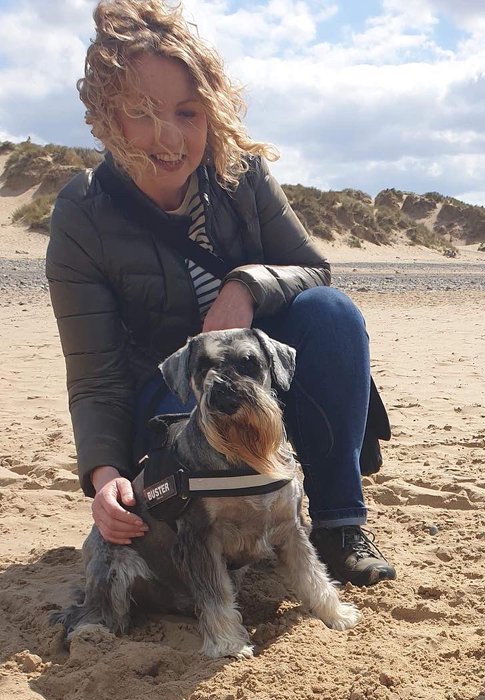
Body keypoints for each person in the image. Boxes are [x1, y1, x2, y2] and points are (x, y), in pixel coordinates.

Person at [45, 0, 395, 587]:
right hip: (167, 400)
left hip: (257, 372)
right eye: (142, 112)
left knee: (332, 314)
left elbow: (312, 268)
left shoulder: (242, 174)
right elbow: (96, 374)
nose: (170, 138)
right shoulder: (83, 213)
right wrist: (106, 480)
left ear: (212, 112)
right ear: (109, 115)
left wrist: (246, 286)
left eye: (188, 112)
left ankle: (337, 524)